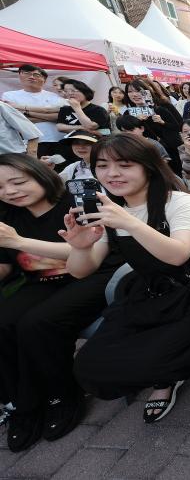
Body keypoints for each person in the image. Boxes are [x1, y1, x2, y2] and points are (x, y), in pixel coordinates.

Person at [62, 134, 190, 424]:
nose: (112, 174)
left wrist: (127, 221)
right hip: (149, 292)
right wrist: (79, 246)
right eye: (103, 165)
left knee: (152, 361)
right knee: (87, 368)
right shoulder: (107, 212)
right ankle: (166, 371)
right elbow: (81, 270)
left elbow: (179, 254)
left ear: (148, 166)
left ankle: (167, 380)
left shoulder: (178, 202)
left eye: (125, 164)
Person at [0, 154, 120, 451]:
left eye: (18, 181)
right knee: (2, 324)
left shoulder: (78, 200)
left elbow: (88, 254)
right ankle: (23, 404)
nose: (10, 191)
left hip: (90, 278)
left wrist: (18, 241)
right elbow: (5, 266)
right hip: (40, 282)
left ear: (41, 174)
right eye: (0, 187)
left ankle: (61, 395)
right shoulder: (7, 215)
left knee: (37, 324)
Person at [1, 65, 66, 157]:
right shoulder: (9, 96)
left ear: (44, 79)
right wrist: (49, 117)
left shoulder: (55, 96)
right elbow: (14, 120)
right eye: (27, 73)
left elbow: (61, 116)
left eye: (36, 74)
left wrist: (26, 113)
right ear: (20, 76)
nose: (31, 77)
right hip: (29, 141)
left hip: (58, 139)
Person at [123, 79, 184, 174]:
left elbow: (179, 126)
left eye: (138, 91)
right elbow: (126, 133)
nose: (134, 94)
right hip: (144, 154)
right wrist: (135, 121)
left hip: (169, 152)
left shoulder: (162, 107)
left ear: (147, 92)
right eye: (130, 91)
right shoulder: (129, 113)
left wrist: (162, 122)